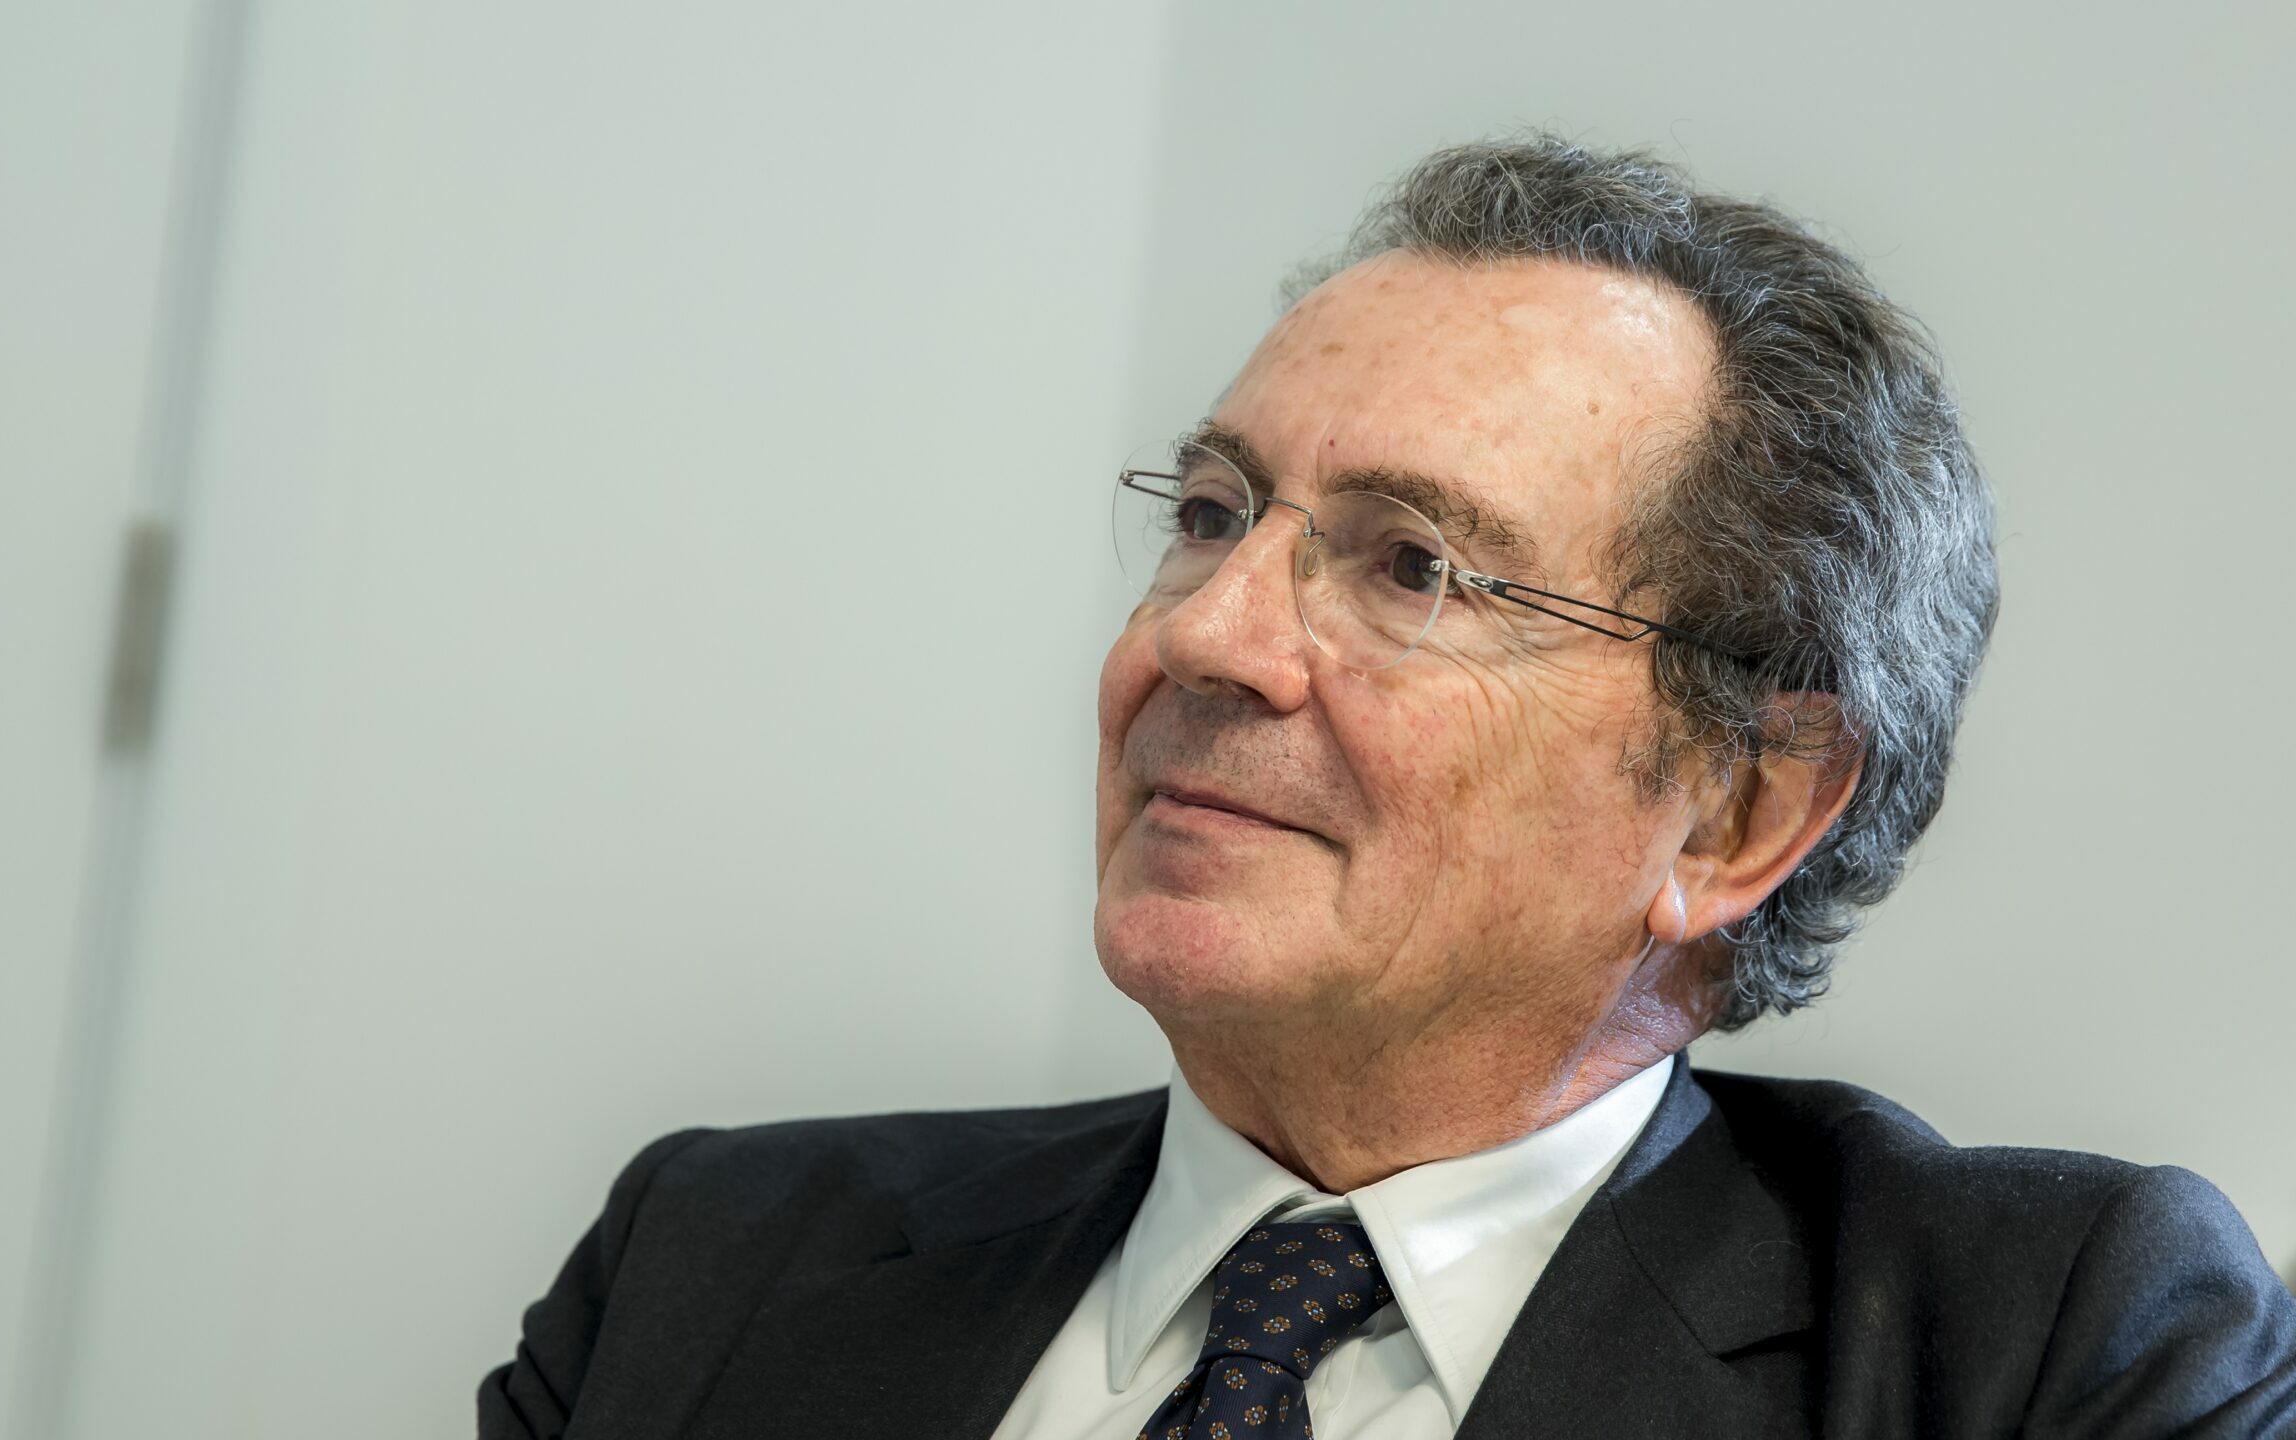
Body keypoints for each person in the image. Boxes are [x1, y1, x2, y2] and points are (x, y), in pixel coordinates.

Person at [476, 136, 2296, 1438]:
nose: (1208, 639)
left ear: (1738, 811)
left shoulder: (2038, 1353)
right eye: (1211, 516)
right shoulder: (713, 1265)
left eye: (1415, 567)